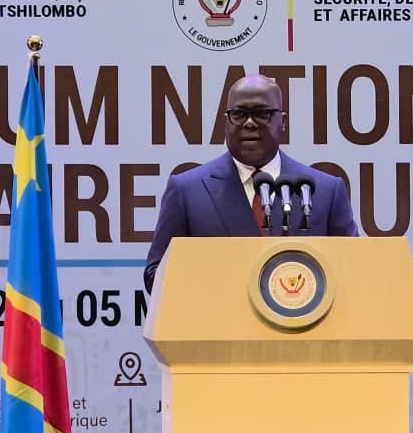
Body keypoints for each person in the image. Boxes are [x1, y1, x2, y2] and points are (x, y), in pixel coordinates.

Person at [143, 74, 359, 293]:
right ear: (226, 122)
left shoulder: (325, 191)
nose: (249, 123)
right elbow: (155, 276)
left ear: (283, 122)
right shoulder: (187, 191)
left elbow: (353, 271)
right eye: (238, 114)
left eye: (262, 114)